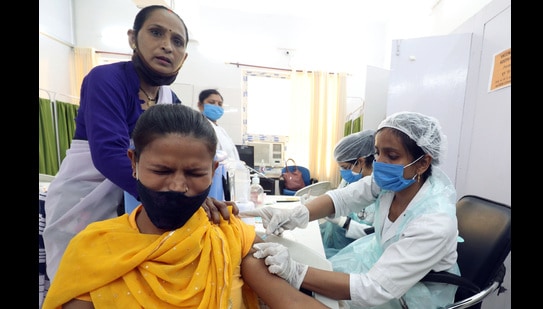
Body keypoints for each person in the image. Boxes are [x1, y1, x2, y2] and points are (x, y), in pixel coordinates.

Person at [42, 104, 329, 309]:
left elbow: (290, 301)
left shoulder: (230, 235)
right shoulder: (93, 248)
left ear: (214, 169)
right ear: (134, 163)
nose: (179, 186)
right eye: (162, 170)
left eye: (194, 173)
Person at [43, 5, 236, 283]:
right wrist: (175, 199)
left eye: (177, 41)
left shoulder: (171, 100)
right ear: (133, 38)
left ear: (184, 55)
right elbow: (109, 154)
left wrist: (200, 196)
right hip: (86, 201)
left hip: (136, 208)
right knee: (79, 282)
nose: (166, 46)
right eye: (156, 33)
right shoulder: (106, 79)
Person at [243, 111, 460, 309]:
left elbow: (374, 289)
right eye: (377, 153)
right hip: (377, 264)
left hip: (412, 292)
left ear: (423, 164)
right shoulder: (391, 182)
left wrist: (295, 271)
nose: (380, 163)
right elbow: (342, 198)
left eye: (392, 156)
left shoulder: (434, 222)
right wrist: (297, 214)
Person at [320, 129, 376, 258]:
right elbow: (338, 200)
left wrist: (343, 222)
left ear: (360, 162)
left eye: (345, 167)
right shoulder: (349, 180)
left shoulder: (380, 190)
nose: (343, 172)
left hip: (356, 253)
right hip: (334, 244)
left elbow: (374, 235)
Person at [197, 88, 240, 162]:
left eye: (220, 104)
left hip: (228, 171)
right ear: (200, 105)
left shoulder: (221, 130)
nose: (216, 106)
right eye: (211, 102)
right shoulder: (198, 126)